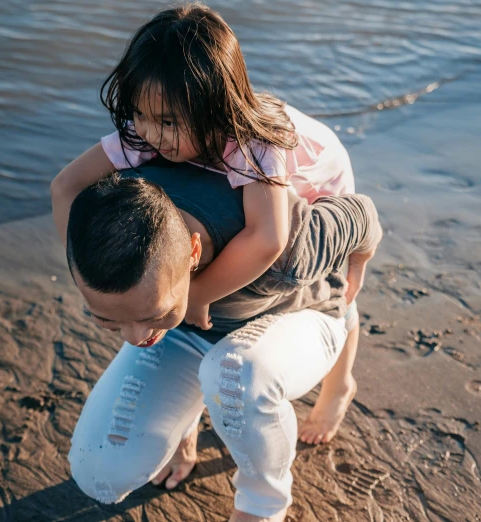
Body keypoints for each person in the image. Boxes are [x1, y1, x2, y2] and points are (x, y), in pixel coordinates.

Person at [51, 3, 361, 446]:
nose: (150, 133)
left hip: (320, 180)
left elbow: (267, 237)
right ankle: (186, 419)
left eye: (167, 122)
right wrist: (86, 266)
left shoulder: (255, 142)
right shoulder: (150, 127)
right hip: (227, 151)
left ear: (214, 109)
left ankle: (339, 384)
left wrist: (198, 295)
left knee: (336, 287)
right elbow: (65, 186)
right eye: (139, 113)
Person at [58, 161, 381, 521]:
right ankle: (186, 413)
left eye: (151, 316)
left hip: (298, 317)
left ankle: (262, 505)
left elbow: (362, 213)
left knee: (233, 373)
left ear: (193, 254)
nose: (136, 339)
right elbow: (64, 187)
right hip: (190, 329)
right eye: (107, 319)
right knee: (100, 474)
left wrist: (359, 265)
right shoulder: (108, 218)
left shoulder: (282, 244)